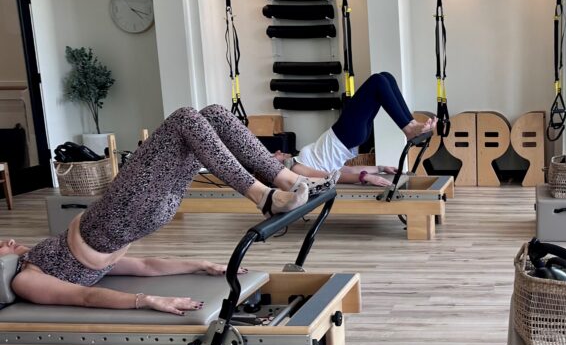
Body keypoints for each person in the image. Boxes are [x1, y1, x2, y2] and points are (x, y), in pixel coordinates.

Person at [3, 104, 322, 315]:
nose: (8, 241)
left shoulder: (40, 261)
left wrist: (199, 265)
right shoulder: (25, 280)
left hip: (144, 213)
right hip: (120, 212)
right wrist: (147, 300)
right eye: (1, 247)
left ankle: (288, 180)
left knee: (212, 115)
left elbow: (143, 267)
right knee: (184, 118)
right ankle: (264, 196)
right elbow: (84, 298)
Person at [274, 72, 435, 188]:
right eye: (275, 154)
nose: (279, 150)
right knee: (377, 81)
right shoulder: (295, 168)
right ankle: (409, 128)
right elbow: (331, 177)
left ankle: (411, 124)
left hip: (351, 137)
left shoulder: (302, 161)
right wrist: (365, 178)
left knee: (386, 78)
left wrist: (380, 168)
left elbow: (349, 169)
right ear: (275, 164)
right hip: (344, 135)